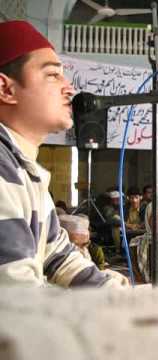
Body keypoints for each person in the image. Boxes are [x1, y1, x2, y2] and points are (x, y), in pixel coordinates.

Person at [0, 21, 125, 287]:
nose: (69, 89)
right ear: (6, 89)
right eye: (53, 75)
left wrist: (112, 293)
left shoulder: (23, 167)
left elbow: (59, 258)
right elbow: (16, 296)